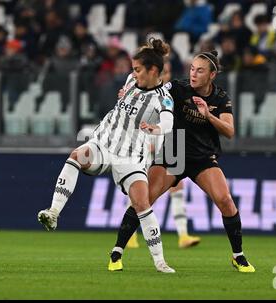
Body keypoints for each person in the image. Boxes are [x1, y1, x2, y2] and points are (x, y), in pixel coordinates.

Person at [37, 38, 176, 273]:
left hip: (131, 157)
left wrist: (157, 129)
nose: (133, 73)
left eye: (138, 69)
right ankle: (53, 213)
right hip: (104, 143)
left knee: (142, 204)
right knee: (75, 156)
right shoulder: (132, 80)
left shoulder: (163, 98)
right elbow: (126, 101)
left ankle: (160, 262)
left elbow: (168, 121)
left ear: (153, 70)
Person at [109, 50, 255, 273]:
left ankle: (238, 256)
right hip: (173, 154)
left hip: (202, 158)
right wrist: (130, 93)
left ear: (212, 75)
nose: (194, 74)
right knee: (144, 200)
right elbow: (151, 92)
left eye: (200, 70)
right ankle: (117, 252)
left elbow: (230, 131)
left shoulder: (220, 98)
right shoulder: (177, 88)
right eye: (192, 69)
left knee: (226, 201)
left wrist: (208, 115)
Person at [126, 59, 201, 250]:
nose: (165, 76)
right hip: (146, 145)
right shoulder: (147, 93)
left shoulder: (174, 93)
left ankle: (183, 235)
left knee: (177, 187)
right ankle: (131, 236)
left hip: (168, 145)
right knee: (138, 191)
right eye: (163, 72)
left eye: (168, 72)